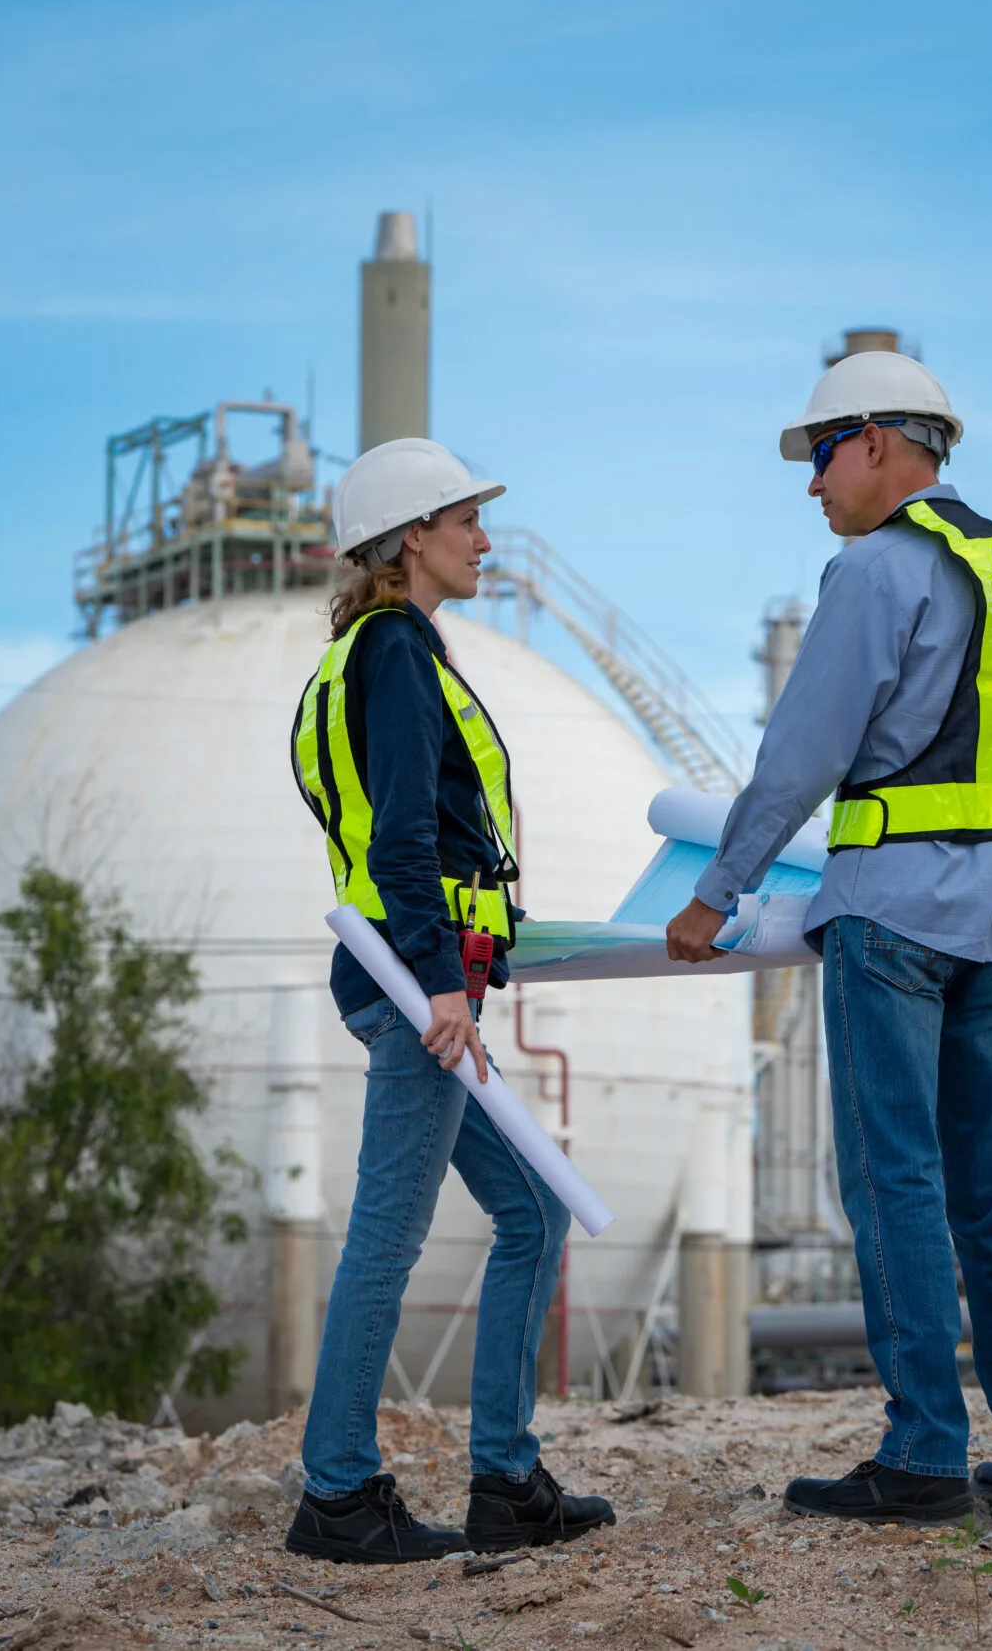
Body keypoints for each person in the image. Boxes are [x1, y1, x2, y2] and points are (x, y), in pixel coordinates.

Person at [664, 352, 992, 1533]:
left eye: (821, 455)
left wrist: (716, 892)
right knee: (990, 1201)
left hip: (892, 918)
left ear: (884, 443)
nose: (812, 485)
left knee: (892, 1181)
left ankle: (924, 1458)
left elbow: (801, 754)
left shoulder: (874, 570)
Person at [286, 437, 614, 1563]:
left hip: (420, 980)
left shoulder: (375, 650)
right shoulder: (391, 654)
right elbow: (408, 838)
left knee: (532, 1210)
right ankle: (336, 1493)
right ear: (411, 536)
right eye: (466, 519)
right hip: (416, 985)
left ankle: (505, 1482)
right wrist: (439, 984)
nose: (483, 538)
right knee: (387, 1237)